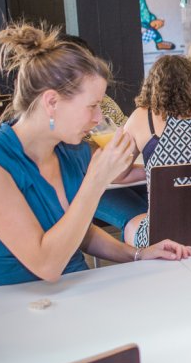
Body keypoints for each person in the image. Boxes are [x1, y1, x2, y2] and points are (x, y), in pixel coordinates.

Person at [0, 23, 191, 363]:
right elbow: (46, 261)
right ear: (51, 101)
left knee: (149, 351)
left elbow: (77, 230)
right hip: (3, 321)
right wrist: (97, 179)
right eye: (92, 106)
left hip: (70, 300)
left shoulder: (68, 150)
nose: (98, 118)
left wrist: (139, 253)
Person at [122, 55, 191, 247]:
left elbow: (118, 174)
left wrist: (154, 172)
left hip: (163, 237)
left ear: (152, 85)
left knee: (131, 225)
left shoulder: (142, 118)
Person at [60, 33, 146, 238]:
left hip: (120, 176)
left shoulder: (103, 100)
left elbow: (125, 131)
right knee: (142, 217)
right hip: (93, 185)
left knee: (162, 207)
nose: (97, 116)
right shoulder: (62, 123)